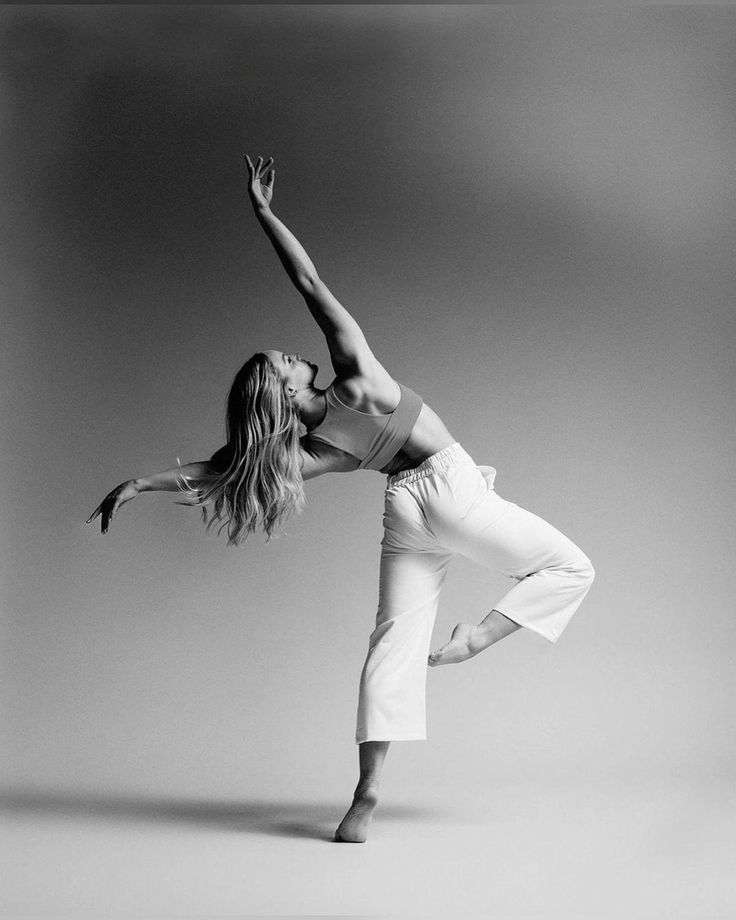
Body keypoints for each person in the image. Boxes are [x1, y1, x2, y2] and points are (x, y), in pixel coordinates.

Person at [86, 155, 595, 844]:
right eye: (284, 362)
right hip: (450, 486)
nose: (294, 353)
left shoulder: (318, 450)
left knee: (391, 646)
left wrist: (139, 485)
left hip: (404, 510)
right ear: (287, 392)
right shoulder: (357, 378)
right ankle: (479, 638)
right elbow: (309, 281)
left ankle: (366, 794)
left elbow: (224, 469)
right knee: (570, 568)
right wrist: (265, 214)